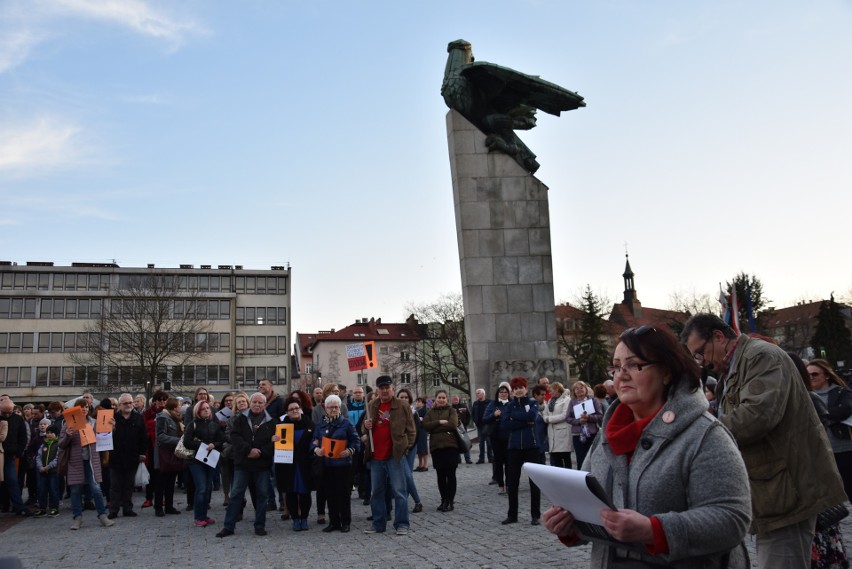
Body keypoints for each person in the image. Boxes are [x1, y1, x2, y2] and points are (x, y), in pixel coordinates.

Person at [544, 324, 753, 567]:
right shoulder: (607, 436)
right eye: (617, 366)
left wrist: (654, 531)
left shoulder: (705, 435)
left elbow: (732, 519)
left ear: (666, 371)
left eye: (635, 365)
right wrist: (570, 524)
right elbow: (593, 510)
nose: (621, 375)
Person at [682, 314, 846, 568]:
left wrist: (701, 434)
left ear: (718, 336)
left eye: (700, 353)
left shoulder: (760, 356)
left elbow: (756, 416)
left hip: (787, 490)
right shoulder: (734, 366)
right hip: (773, 490)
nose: (701, 362)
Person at [361, 375, 416, 536]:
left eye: (387, 387)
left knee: (399, 491)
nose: (385, 390)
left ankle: (402, 524)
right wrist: (366, 426)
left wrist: (406, 448)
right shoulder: (372, 404)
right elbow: (365, 428)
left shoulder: (402, 405)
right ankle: (378, 523)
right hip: (376, 455)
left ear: (392, 388)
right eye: (381, 388)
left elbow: (411, 430)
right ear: (377, 390)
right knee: (376, 492)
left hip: (395, 455)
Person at [217, 392, 276, 538]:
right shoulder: (240, 419)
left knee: (262, 495)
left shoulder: (271, 422)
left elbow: (273, 443)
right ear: (251, 403)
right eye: (254, 402)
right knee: (236, 494)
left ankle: (260, 525)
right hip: (243, 463)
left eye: (260, 403)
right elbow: (235, 437)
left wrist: (260, 452)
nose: (257, 405)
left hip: (262, 464)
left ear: (264, 405)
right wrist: (248, 450)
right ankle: (228, 526)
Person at [59, 398, 114, 530]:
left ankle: (102, 516)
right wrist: (68, 436)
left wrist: (112, 427)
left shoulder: (94, 422)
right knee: (76, 490)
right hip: (75, 461)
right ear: (76, 409)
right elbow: (61, 445)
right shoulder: (68, 424)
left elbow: (105, 438)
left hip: (92, 461)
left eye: (86, 407)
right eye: (81, 407)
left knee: (96, 489)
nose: (84, 409)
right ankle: (77, 518)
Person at [311, 394, 360, 533]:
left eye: (336, 407)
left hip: (343, 464)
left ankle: (345, 521)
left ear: (340, 408)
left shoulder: (347, 423)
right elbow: (313, 441)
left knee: (343, 494)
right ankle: (334, 522)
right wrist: (316, 449)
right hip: (326, 464)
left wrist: (349, 450)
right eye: (331, 407)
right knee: (330, 494)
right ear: (325, 409)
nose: (334, 409)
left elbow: (356, 441)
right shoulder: (320, 424)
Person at [807, 358, 852, 502]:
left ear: (826, 375)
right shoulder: (805, 395)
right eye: (808, 375)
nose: (811, 378)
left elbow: (845, 410)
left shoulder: (840, 392)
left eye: (815, 374)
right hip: (820, 452)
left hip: (843, 448)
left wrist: (822, 415)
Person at [501, 377, 541, 526]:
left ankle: (535, 515)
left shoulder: (532, 403)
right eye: (516, 388)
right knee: (512, 482)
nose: (518, 390)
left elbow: (532, 416)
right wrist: (524, 422)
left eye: (521, 387)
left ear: (526, 388)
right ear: (513, 390)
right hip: (514, 447)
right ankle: (512, 515)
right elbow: (505, 424)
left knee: (534, 482)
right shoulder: (510, 405)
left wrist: (515, 417)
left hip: (532, 446)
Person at [183, 398, 226, 528]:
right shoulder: (193, 424)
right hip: (195, 460)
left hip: (210, 459)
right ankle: (198, 517)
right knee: (201, 488)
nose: (206, 410)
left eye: (208, 408)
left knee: (207, 488)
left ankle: (204, 516)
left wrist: (215, 444)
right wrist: (202, 445)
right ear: (198, 411)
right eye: (203, 409)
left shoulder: (214, 424)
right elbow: (187, 442)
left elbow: (222, 440)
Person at [276, 396, 315, 531]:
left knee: (305, 493)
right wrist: (273, 439)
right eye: (291, 409)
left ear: (301, 409)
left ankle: (304, 518)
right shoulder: (281, 427)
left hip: (305, 465)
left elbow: (316, 440)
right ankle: (295, 519)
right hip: (288, 465)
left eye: (297, 408)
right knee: (290, 492)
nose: (295, 411)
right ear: (286, 412)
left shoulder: (310, 424)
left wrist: (316, 443)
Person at [107, 393, 148, 519]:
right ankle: (113, 509)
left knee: (129, 484)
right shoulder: (112, 418)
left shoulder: (138, 418)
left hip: (132, 456)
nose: (129, 405)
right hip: (116, 456)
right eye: (126, 403)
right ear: (119, 405)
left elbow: (143, 437)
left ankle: (127, 508)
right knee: (115, 485)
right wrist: (111, 430)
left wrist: (142, 453)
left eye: (131, 402)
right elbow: (104, 437)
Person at [423, 390, 459, 512]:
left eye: (444, 397)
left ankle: (450, 501)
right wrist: (439, 422)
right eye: (439, 397)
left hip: (450, 446)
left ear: (446, 399)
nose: (442, 399)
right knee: (440, 476)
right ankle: (443, 500)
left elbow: (453, 425)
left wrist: (435, 428)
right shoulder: (430, 412)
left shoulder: (451, 411)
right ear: (436, 398)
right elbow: (425, 425)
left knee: (451, 475)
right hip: (436, 447)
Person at [0, 394, 32, 516]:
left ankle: (19, 506)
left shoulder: (18, 419)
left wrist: (18, 452)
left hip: (10, 455)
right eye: (5, 413)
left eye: (10, 412)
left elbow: (23, 437)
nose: (8, 415)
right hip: (3, 453)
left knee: (13, 481)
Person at [153, 397, 184, 517]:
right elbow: (160, 436)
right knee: (161, 482)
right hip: (163, 454)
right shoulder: (162, 417)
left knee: (171, 481)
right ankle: (159, 507)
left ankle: (169, 506)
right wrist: (179, 440)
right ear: (174, 407)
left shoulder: (176, 418)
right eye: (179, 405)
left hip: (173, 453)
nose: (180, 407)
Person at [396, 389, 422, 513]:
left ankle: (417, 501)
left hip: (410, 448)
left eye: (406, 397)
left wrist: (409, 446)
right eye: (401, 397)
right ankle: (406, 500)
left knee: (407, 475)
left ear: (410, 399)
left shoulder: (414, 413)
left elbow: (416, 433)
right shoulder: (393, 411)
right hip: (398, 448)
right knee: (404, 476)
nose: (404, 399)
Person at [566, 380, 603, 470]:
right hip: (578, 435)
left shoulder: (593, 400)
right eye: (576, 389)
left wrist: (589, 417)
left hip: (592, 433)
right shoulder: (572, 402)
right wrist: (579, 421)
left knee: (593, 456)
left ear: (586, 389)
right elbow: (567, 418)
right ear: (574, 392)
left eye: (581, 388)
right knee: (580, 458)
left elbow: (600, 415)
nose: (579, 390)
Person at [141, 390, 168, 509]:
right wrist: (154, 423)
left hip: (163, 447)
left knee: (162, 473)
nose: (162, 402)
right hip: (150, 447)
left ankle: (161, 497)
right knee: (151, 472)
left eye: (164, 400)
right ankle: (148, 498)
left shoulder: (167, 412)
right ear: (155, 401)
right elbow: (144, 426)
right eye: (159, 399)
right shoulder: (148, 412)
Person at [483, 383, 511, 494]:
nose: (503, 394)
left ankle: (509, 484)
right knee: (498, 462)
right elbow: (485, 419)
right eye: (501, 392)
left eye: (505, 392)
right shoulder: (493, 404)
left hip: (509, 437)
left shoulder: (511, 404)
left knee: (509, 462)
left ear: (508, 393)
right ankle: (501, 484)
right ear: (498, 393)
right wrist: (494, 415)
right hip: (496, 437)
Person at [542, 381, 574, 469]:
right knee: (556, 460)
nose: (550, 392)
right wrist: (546, 418)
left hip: (563, 433)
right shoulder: (550, 401)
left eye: (551, 390)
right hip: (552, 433)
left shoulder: (567, 400)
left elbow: (565, 415)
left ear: (557, 389)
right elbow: (545, 413)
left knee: (565, 458)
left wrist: (549, 419)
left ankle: (568, 478)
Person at [33, 422, 60, 517]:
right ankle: (42, 508)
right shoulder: (43, 444)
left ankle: (54, 508)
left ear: (56, 434)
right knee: (42, 490)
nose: (49, 434)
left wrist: (47, 467)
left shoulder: (58, 445)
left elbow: (57, 459)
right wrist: (40, 467)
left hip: (53, 471)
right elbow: (38, 456)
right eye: (48, 432)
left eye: (51, 433)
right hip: (42, 472)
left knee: (53, 490)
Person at [471, 388, 493, 464]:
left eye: (478, 393)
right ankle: (481, 458)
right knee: (481, 443)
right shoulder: (475, 403)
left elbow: (492, 412)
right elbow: (473, 413)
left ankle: (490, 458)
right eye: (476, 393)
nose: (477, 394)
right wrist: (475, 421)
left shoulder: (490, 402)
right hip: (479, 426)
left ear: (483, 394)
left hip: (487, 425)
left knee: (489, 442)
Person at [451, 394, 473, 464]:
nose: (455, 400)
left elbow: (469, 415)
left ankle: (467, 459)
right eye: (454, 399)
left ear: (459, 399)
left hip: (463, 429)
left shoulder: (463, 406)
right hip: (454, 429)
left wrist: (466, 423)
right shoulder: (450, 408)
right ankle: (458, 459)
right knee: (456, 444)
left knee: (465, 443)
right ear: (452, 400)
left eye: (456, 399)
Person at [414, 397, 430, 471]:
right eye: (416, 402)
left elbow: (426, 420)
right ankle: (420, 464)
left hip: (422, 430)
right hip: (417, 431)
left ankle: (425, 465)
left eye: (419, 402)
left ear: (423, 403)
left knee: (423, 448)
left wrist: (420, 420)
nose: (417, 403)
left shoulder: (424, 410)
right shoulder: (415, 411)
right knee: (419, 449)